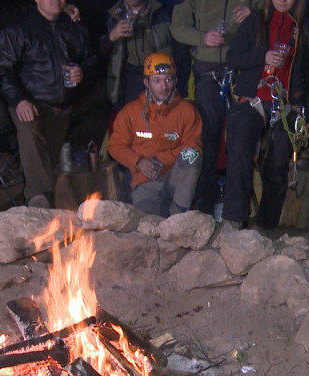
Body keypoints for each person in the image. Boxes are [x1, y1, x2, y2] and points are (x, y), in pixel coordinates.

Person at [222, 0, 309, 231]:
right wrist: (262, 57)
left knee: (278, 163)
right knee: (240, 150)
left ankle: (266, 227)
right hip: (252, 97)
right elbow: (233, 58)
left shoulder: (306, 27)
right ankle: (235, 219)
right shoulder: (255, 21)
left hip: (285, 104)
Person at [0, 0, 94, 209]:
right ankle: (37, 199)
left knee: (48, 160)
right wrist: (19, 100)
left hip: (62, 106)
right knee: (29, 131)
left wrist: (82, 70)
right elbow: (2, 70)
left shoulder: (74, 27)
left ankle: (56, 209)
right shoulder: (18, 28)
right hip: (29, 102)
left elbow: (93, 58)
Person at [170, 0, 265, 215]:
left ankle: (236, 214)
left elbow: (273, 11)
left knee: (239, 145)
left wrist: (254, 14)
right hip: (207, 74)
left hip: (242, 73)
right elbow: (177, 25)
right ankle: (203, 212)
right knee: (207, 144)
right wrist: (201, 38)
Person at [107, 53, 203, 216]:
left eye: (168, 79)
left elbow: (193, 145)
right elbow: (115, 146)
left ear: (175, 81)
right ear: (146, 82)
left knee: (192, 154)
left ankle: (179, 213)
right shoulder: (131, 112)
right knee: (147, 227)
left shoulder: (187, 111)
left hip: (175, 178)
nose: (163, 86)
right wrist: (139, 162)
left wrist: (163, 159)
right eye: (157, 80)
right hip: (145, 180)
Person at [101, 0, 173, 110]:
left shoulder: (161, 11)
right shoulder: (113, 15)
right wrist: (112, 36)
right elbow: (99, 52)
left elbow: (177, 48)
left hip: (158, 77)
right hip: (130, 78)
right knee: (133, 120)